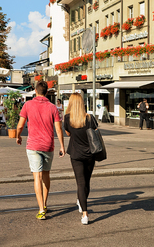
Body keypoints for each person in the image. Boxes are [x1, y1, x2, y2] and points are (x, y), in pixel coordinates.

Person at [16, 81, 65, 220]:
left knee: (36, 176)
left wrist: (18, 136)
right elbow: (58, 129)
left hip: (33, 145)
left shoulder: (28, 105)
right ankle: (44, 203)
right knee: (46, 175)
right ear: (47, 92)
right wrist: (62, 146)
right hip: (48, 145)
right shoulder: (53, 107)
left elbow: (20, 125)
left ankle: (41, 209)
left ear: (35, 91)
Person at [64, 93, 95, 225]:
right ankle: (81, 202)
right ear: (82, 103)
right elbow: (95, 132)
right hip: (90, 154)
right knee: (86, 182)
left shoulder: (67, 118)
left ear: (71, 104)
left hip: (76, 154)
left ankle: (85, 214)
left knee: (80, 183)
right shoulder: (89, 118)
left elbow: (68, 133)